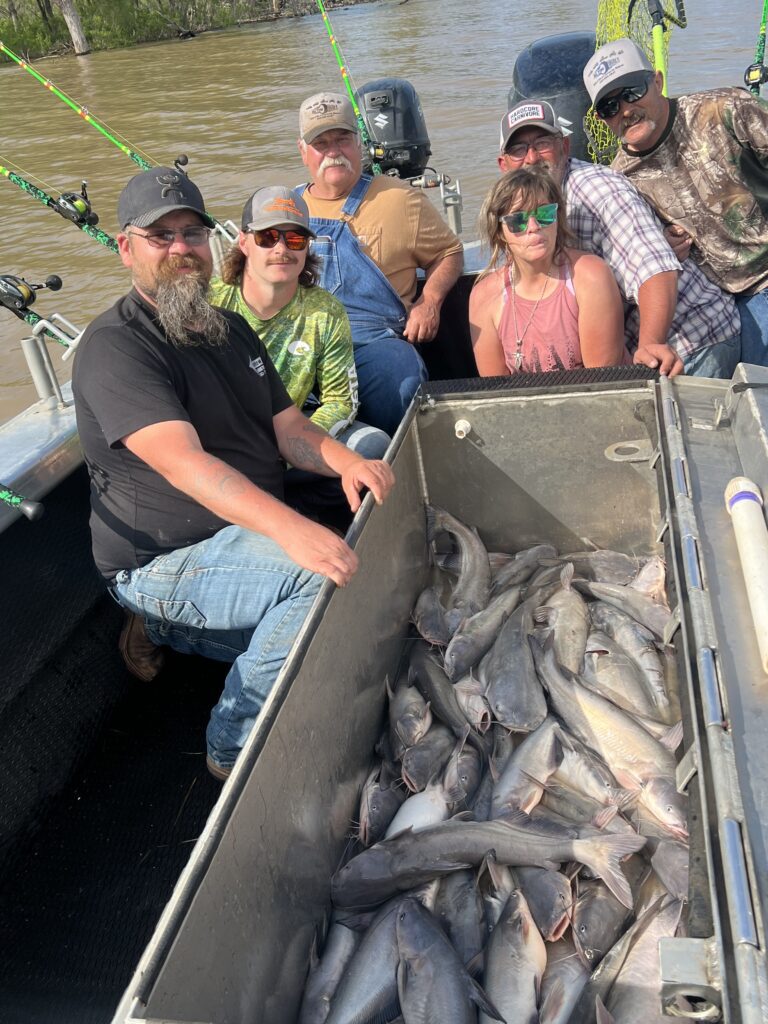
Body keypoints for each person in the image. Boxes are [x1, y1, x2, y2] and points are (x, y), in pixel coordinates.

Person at [71, 167, 394, 780]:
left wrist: (352, 462)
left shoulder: (229, 327)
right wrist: (293, 532)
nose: (180, 249)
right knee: (315, 578)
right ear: (124, 248)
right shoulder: (115, 346)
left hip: (237, 541)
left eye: (192, 233)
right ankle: (231, 748)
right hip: (162, 556)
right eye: (159, 236)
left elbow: (292, 431)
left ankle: (167, 630)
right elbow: (186, 464)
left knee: (353, 609)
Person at [497, 99, 742, 379]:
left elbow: (655, 269)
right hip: (626, 339)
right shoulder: (511, 209)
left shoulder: (598, 191)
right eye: (518, 149)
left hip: (690, 337)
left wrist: (650, 344)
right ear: (503, 164)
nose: (531, 158)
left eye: (542, 143)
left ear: (564, 148)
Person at [584, 37, 768, 365]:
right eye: (610, 106)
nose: (625, 110)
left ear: (657, 81)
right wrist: (664, 243)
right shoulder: (619, 182)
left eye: (632, 92)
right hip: (712, 303)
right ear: (602, 119)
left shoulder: (724, 109)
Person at [295, 91, 464, 436]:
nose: (333, 152)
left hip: (373, 345)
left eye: (342, 139)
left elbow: (449, 252)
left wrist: (429, 301)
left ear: (359, 143)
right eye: (321, 143)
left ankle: (390, 456)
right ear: (303, 152)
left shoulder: (401, 198)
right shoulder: (285, 209)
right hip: (301, 344)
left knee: (399, 373)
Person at [209, 185, 389, 461]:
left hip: (291, 436)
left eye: (295, 239)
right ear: (243, 243)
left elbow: (340, 402)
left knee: (373, 445)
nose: (281, 248)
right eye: (267, 237)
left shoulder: (326, 312)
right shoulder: (210, 303)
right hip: (223, 442)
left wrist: (295, 443)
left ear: (306, 248)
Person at [470, 167, 628, 374]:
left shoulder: (590, 276)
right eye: (518, 220)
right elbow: (496, 391)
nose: (534, 226)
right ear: (500, 232)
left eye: (544, 214)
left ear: (557, 217)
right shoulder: (483, 297)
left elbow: (602, 380)